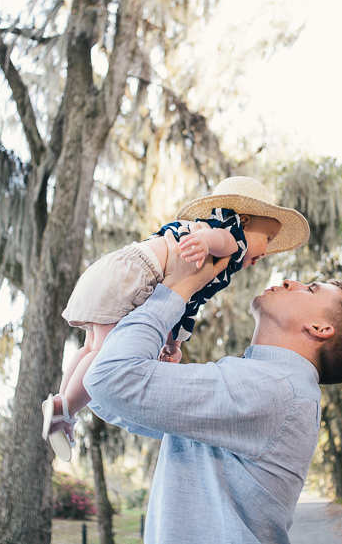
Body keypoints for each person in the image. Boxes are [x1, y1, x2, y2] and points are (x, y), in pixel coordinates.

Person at [83, 229, 342, 544]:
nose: (292, 281)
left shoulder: (273, 388)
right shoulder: (264, 382)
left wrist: (178, 288)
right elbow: (109, 399)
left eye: (311, 289)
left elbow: (108, 380)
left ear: (320, 329)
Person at [42, 176, 311, 461]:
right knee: (102, 355)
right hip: (130, 277)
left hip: (110, 269)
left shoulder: (208, 242)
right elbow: (224, 240)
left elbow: (187, 302)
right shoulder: (230, 237)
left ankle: (60, 403)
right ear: (243, 221)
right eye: (267, 238)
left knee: (89, 348)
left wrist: (174, 342)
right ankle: (66, 408)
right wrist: (206, 242)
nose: (266, 251)